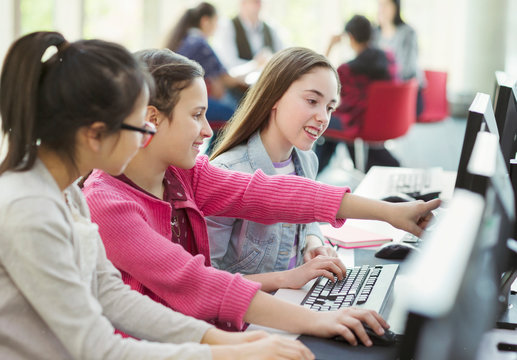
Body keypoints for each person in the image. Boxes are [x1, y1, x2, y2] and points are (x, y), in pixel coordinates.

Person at [82, 47, 439, 345]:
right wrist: (317, 319)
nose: (208, 131)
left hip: (209, 335)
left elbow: (271, 194)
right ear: (152, 120)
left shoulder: (183, 175)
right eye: (197, 115)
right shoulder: (108, 203)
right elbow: (197, 282)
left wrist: (391, 213)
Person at [0, 31, 315, 360]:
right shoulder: (29, 209)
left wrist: (228, 342)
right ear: (95, 134)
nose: (144, 139)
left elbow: (112, 296)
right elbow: (98, 349)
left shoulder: (66, 192)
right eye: (140, 127)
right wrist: (227, 353)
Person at [206, 47, 346, 291]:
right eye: (312, 101)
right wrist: (286, 279)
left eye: (329, 107)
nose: (324, 117)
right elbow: (207, 280)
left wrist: (313, 242)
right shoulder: (228, 171)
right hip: (250, 318)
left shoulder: (306, 160)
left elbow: (307, 217)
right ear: (274, 97)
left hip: (295, 299)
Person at [315, 14, 400, 174]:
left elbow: (318, 79)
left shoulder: (347, 70)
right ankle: (315, 171)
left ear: (351, 37)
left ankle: (312, 171)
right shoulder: (389, 58)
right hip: (387, 121)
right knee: (334, 122)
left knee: (322, 120)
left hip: (359, 124)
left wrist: (330, 46)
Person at [166, 1, 246, 143]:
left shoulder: (185, 40)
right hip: (184, 102)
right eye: (215, 23)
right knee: (236, 116)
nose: (216, 28)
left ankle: (212, 154)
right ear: (205, 21)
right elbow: (226, 78)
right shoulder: (200, 43)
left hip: (174, 99)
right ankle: (216, 156)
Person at [372, 0, 425, 115]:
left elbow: (407, 69)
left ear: (396, 7)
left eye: (386, 5)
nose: (382, 9)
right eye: (380, 5)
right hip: (384, 91)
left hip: (407, 93)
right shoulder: (375, 33)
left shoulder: (408, 32)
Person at [213, 0, 283, 77]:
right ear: (243, 3)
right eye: (255, 1)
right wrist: (255, 64)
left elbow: (283, 55)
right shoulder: (228, 27)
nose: (260, 4)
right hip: (238, 87)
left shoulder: (271, 28)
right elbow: (229, 67)